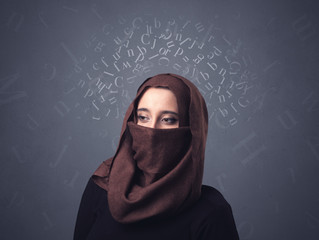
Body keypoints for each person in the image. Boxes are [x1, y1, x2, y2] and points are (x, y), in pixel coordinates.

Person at [74, 73, 239, 240]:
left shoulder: (211, 212)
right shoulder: (102, 185)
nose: (152, 130)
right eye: (143, 117)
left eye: (168, 120)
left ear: (192, 130)